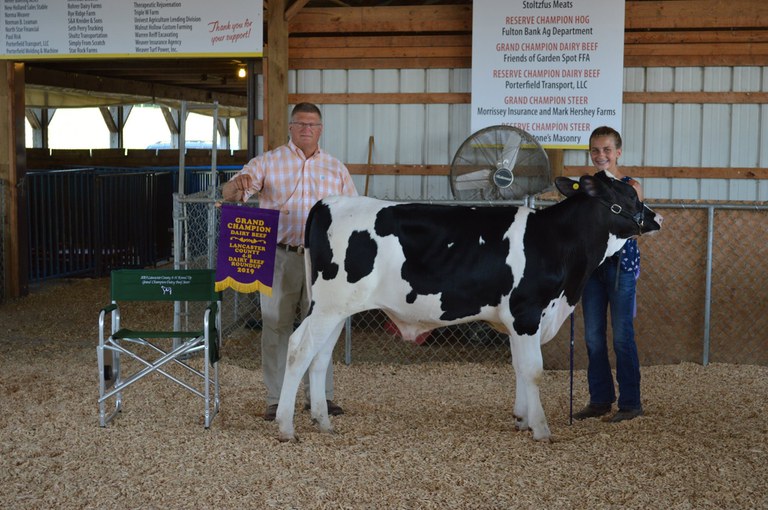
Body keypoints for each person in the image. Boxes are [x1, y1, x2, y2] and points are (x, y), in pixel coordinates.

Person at [222, 102, 358, 421]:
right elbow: (234, 190)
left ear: (321, 130)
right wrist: (233, 187)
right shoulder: (268, 162)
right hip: (280, 254)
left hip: (324, 261)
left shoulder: (336, 169)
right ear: (290, 128)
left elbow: (351, 213)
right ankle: (276, 398)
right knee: (276, 325)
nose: (307, 129)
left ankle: (319, 397)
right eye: (300, 124)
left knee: (321, 328)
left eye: (313, 125)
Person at [574, 126, 645, 423]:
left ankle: (630, 403)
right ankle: (600, 399)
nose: (600, 155)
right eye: (595, 150)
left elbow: (633, 224)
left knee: (622, 336)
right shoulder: (587, 187)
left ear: (618, 152)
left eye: (606, 150)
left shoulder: (632, 185)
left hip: (621, 267)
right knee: (592, 336)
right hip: (592, 267)